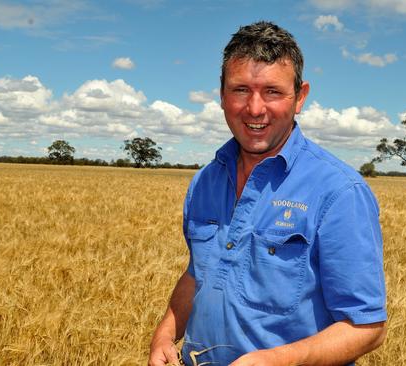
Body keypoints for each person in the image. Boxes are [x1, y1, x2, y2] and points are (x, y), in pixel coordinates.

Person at [149, 21, 387, 366]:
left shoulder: (339, 192)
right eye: (241, 90)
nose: (255, 109)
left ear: (300, 97)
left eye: (273, 92)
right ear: (221, 95)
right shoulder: (205, 181)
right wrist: (165, 335)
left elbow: (367, 327)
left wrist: (276, 361)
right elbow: (198, 274)